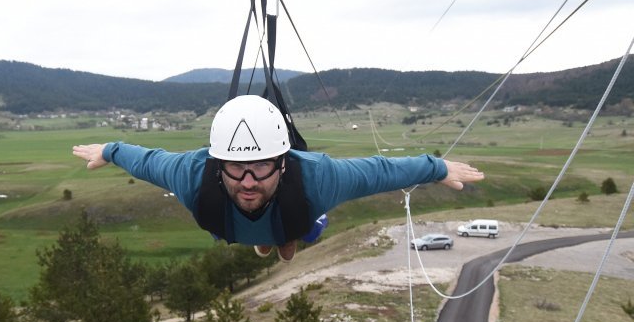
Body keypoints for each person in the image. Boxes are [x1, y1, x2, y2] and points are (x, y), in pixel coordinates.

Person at [72, 95, 484, 262]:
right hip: (239, 223)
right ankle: (269, 237)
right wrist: (108, 151)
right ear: (217, 164)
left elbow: (381, 172)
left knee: (297, 232)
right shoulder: (192, 176)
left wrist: (438, 168)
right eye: (235, 168)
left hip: (293, 213)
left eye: (262, 167)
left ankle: (280, 237)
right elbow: (146, 160)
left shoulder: (319, 178)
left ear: (284, 162)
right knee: (268, 230)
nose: (248, 180)